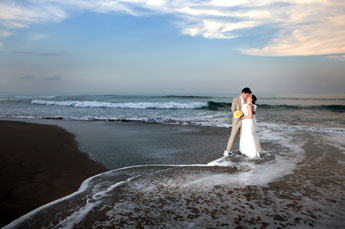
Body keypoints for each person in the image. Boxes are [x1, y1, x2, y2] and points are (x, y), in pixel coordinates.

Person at [224, 87, 252, 156]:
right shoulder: (235, 99)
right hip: (237, 121)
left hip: (245, 121)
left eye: (248, 95)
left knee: (243, 137)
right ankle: (228, 150)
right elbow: (233, 109)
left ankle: (242, 150)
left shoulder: (247, 100)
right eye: (247, 95)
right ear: (243, 93)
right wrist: (239, 114)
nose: (247, 96)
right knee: (232, 136)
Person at [239, 94, 262, 158]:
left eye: (249, 96)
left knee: (248, 134)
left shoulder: (249, 105)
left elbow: (250, 115)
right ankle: (248, 150)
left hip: (248, 121)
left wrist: (243, 117)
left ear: (252, 99)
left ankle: (251, 152)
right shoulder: (251, 105)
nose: (248, 96)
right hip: (249, 121)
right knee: (249, 134)